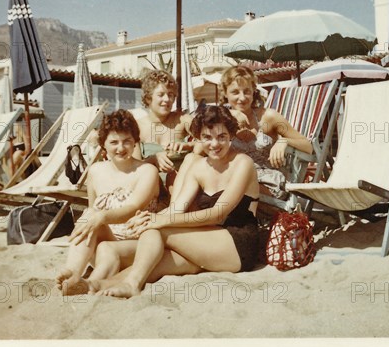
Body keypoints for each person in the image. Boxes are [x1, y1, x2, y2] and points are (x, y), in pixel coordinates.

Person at [80, 105, 260, 298]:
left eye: (221, 137)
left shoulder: (242, 163)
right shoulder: (199, 167)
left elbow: (218, 213)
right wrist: (150, 217)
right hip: (207, 239)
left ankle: (132, 285)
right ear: (198, 137)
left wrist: (160, 222)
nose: (214, 144)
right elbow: (176, 208)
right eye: (207, 137)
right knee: (158, 261)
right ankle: (97, 285)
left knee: (157, 231)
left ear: (231, 135)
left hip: (238, 243)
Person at [55, 109, 160, 296]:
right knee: (89, 216)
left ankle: (88, 283)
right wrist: (96, 217)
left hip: (136, 245)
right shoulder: (95, 171)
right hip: (105, 242)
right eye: (114, 142)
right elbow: (92, 209)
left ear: (135, 141)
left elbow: (132, 208)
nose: (121, 148)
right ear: (103, 144)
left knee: (104, 243)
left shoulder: (147, 171)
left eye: (127, 141)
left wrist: (101, 216)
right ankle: (73, 271)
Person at [174, 65, 312, 201]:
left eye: (247, 91)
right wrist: (231, 115)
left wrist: (284, 141)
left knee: (226, 182)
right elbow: (198, 151)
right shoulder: (222, 120)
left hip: (265, 184)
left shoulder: (268, 117)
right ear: (225, 93)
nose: (242, 97)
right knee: (190, 159)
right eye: (235, 92)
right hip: (229, 179)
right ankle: (174, 211)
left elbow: (308, 146)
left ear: (254, 91)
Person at [134, 70, 195, 174]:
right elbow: (133, 167)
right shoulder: (136, 127)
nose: (167, 99)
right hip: (150, 185)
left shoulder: (183, 120)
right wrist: (153, 159)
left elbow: (207, 142)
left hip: (182, 183)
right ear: (148, 98)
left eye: (171, 95)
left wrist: (188, 145)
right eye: (161, 94)